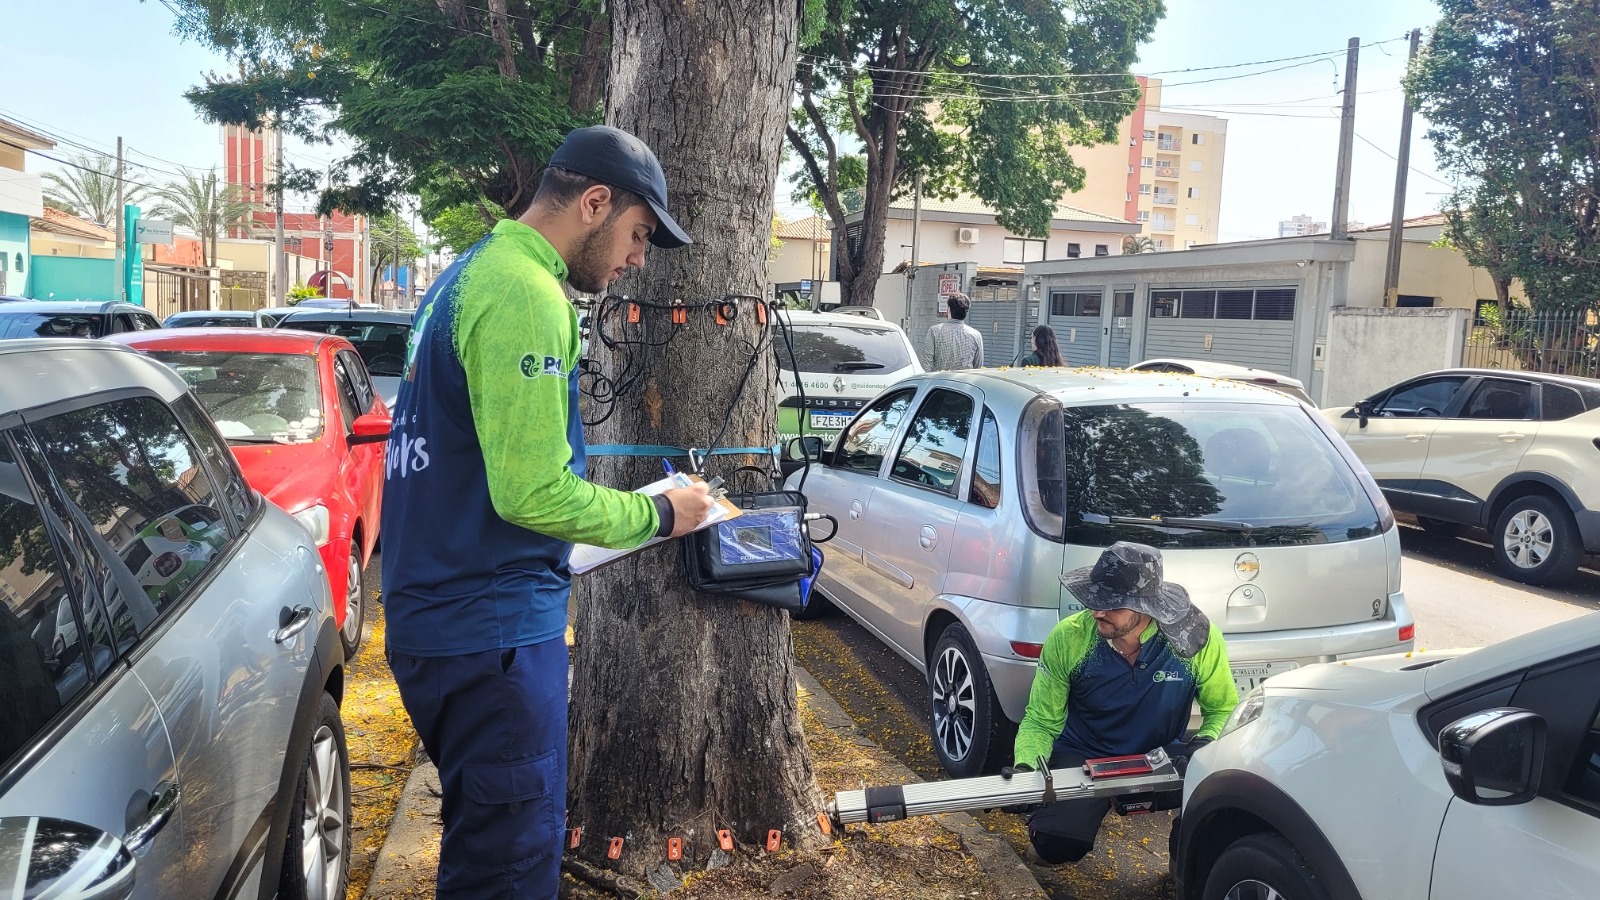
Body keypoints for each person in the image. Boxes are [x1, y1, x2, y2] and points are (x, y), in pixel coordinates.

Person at [380, 124, 716, 899]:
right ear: (594, 203)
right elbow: (530, 491)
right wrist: (663, 515)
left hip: (444, 617)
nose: (636, 260)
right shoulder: (526, 295)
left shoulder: (468, 273)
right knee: (510, 866)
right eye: (636, 235)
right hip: (490, 630)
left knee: (486, 844)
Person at [1007, 542, 1238, 866]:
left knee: (1221, 808)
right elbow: (1041, 721)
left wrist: (1201, 746)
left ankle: (1184, 857)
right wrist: (1028, 769)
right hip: (1085, 752)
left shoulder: (1195, 639)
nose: (1097, 611)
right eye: (1095, 600)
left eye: (1112, 605)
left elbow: (1224, 709)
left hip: (1159, 753)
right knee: (1057, 843)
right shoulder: (1069, 639)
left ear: (1146, 607)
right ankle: (1048, 838)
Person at [924, 292, 984, 370]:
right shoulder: (976, 335)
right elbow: (978, 366)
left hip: (939, 380)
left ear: (949, 309)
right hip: (964, 381)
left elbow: (926, 362)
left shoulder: (934, 331)